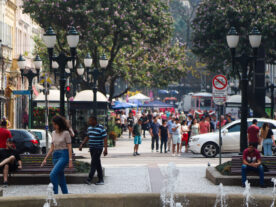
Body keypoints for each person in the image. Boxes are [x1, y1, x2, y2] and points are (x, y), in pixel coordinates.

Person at [41, 115, 73, 194]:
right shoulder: (53, 133)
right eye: (53, 124)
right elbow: (52, 148)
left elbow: (69, 147)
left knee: (53, 174)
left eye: (55, 124)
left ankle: (55, 195)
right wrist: (45, 159)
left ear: (59, 124)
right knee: (60, 177)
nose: (54, 126)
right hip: (55, 155)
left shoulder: (66, 133)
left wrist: (70, 160)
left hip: (64, 155)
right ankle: (65, 195)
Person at [79, 116, 108, 185]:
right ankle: (101, 180)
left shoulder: (100, 127)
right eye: (89, 121)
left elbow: (105, 138)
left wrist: (105, 149)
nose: (89, 122)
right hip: (92, 148)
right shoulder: (89, 128)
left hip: (98, 148)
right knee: (97, 164)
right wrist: (82, 144)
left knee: (93, 163)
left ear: (95, 121)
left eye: (91, 121)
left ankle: (89, 179)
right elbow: (87, 137)